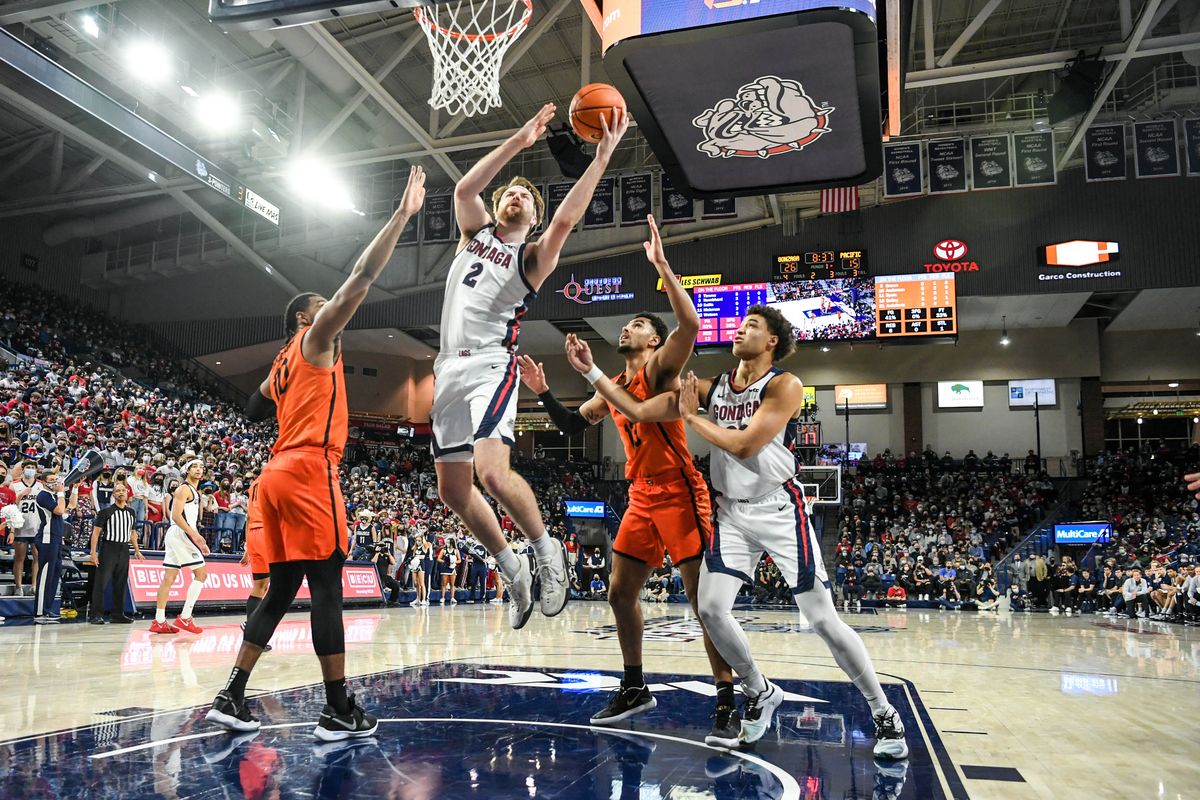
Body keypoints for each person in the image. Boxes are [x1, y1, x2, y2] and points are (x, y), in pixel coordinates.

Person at [569, 305, 908, 759]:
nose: (739, 329)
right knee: (709, 606)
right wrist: (590, 370)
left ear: (771, 342)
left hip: (778, 508)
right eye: (739, 323)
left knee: (824, 620)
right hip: (732, 512)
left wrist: (691, 418)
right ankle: (758, 690)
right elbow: (633, 408)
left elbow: (746, 444)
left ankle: (883, 712)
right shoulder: (713, 388)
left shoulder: (784, 385)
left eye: (751, 326)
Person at [206, 166, 425, 741]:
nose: (336, 310)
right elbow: (361, 276)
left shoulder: (282, 362)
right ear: (307, 317)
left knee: (280, 589)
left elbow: (251, 410)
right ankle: (337, 707)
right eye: (324, 306)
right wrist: (401, 216)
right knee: (327, 586)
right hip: (307, 470)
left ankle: (231, 693)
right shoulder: (316, 339)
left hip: (273, 475)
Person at [525, 215, 736, 742]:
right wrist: (545, 390)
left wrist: (664, 268)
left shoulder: (661, 368)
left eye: (639, 324)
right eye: (628, 325)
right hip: (641, 495)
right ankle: (636, 685)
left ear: (655, 340)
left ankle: (728, 695)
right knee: (620, 593)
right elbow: (575, 423)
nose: (627, 328)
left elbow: (689, 326)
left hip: (681, 491)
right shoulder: (614, 384)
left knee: (700, 600)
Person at [431, 102, 629, 631]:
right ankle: (510, 564)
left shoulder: (532, 257)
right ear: (498, 207)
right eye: (510, 193)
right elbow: (463, 191)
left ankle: (546, 551)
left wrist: (604, 154)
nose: (515, 195)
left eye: (525, 196)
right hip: (447, 368)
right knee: (453, 490)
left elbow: (568, 216)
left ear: (534, 217)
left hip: (492, 365)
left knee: (492, 474)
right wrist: (519, 140)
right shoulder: (474, 234)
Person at [151, 458, 210, 634]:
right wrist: (196, 536)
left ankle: (159, 621)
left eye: (201, 467)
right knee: (201, 574)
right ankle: (185, 617)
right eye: (194, 467)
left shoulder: (194, 490)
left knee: (169, 577)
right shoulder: (183, 489)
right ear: (187, 470)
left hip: (178, 534)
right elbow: (176, 516)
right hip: (181, 533)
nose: (199, 469)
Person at [89, 480, 142, 624]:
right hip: (109, 548)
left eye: (123, 490)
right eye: (117, 491)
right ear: (113, 494)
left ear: (127, 493)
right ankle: (96, 615)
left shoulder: (131, 512)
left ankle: (118, 614)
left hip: (124, 548)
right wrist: (94, 553)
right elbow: (96, 533)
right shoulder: (105, 512)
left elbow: (132, 533)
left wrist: (136, 550)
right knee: (101, 582)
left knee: (121, 582)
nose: (121, 493)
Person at [33, 468, 78, 623]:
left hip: (57, 538)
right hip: (47, 538)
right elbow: (59, 510)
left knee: (54, 575)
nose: (55, 481)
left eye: (56, 478)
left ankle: (48, 610)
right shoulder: (43, 495)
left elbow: (71, 505)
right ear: (44, 481)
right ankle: (39, 613)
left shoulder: (53, 496)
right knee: (45, 576)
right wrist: (60, 493)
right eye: (51, 479)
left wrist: (76, 488)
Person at [239, 479, 272, 653]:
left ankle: (252, 629)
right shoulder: (277, 477)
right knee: (279, 590)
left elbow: (249, 516)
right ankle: (255, 628)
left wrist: (247, 547)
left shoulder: (255, 483)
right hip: (268, 532)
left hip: (253, 533)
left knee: (260, 585)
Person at [12, 459, 43, 596]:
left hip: (37, 526)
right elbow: (11, 506)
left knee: (37, 557)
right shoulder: (15, 485)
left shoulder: (41, 485)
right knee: (19, 558)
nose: (30, 469)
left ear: (36, 470)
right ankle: (18, 587)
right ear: (23, 469)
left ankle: (34, 586)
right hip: (21, 526)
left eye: (32, 467)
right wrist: (20, 496)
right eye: (28, 467)